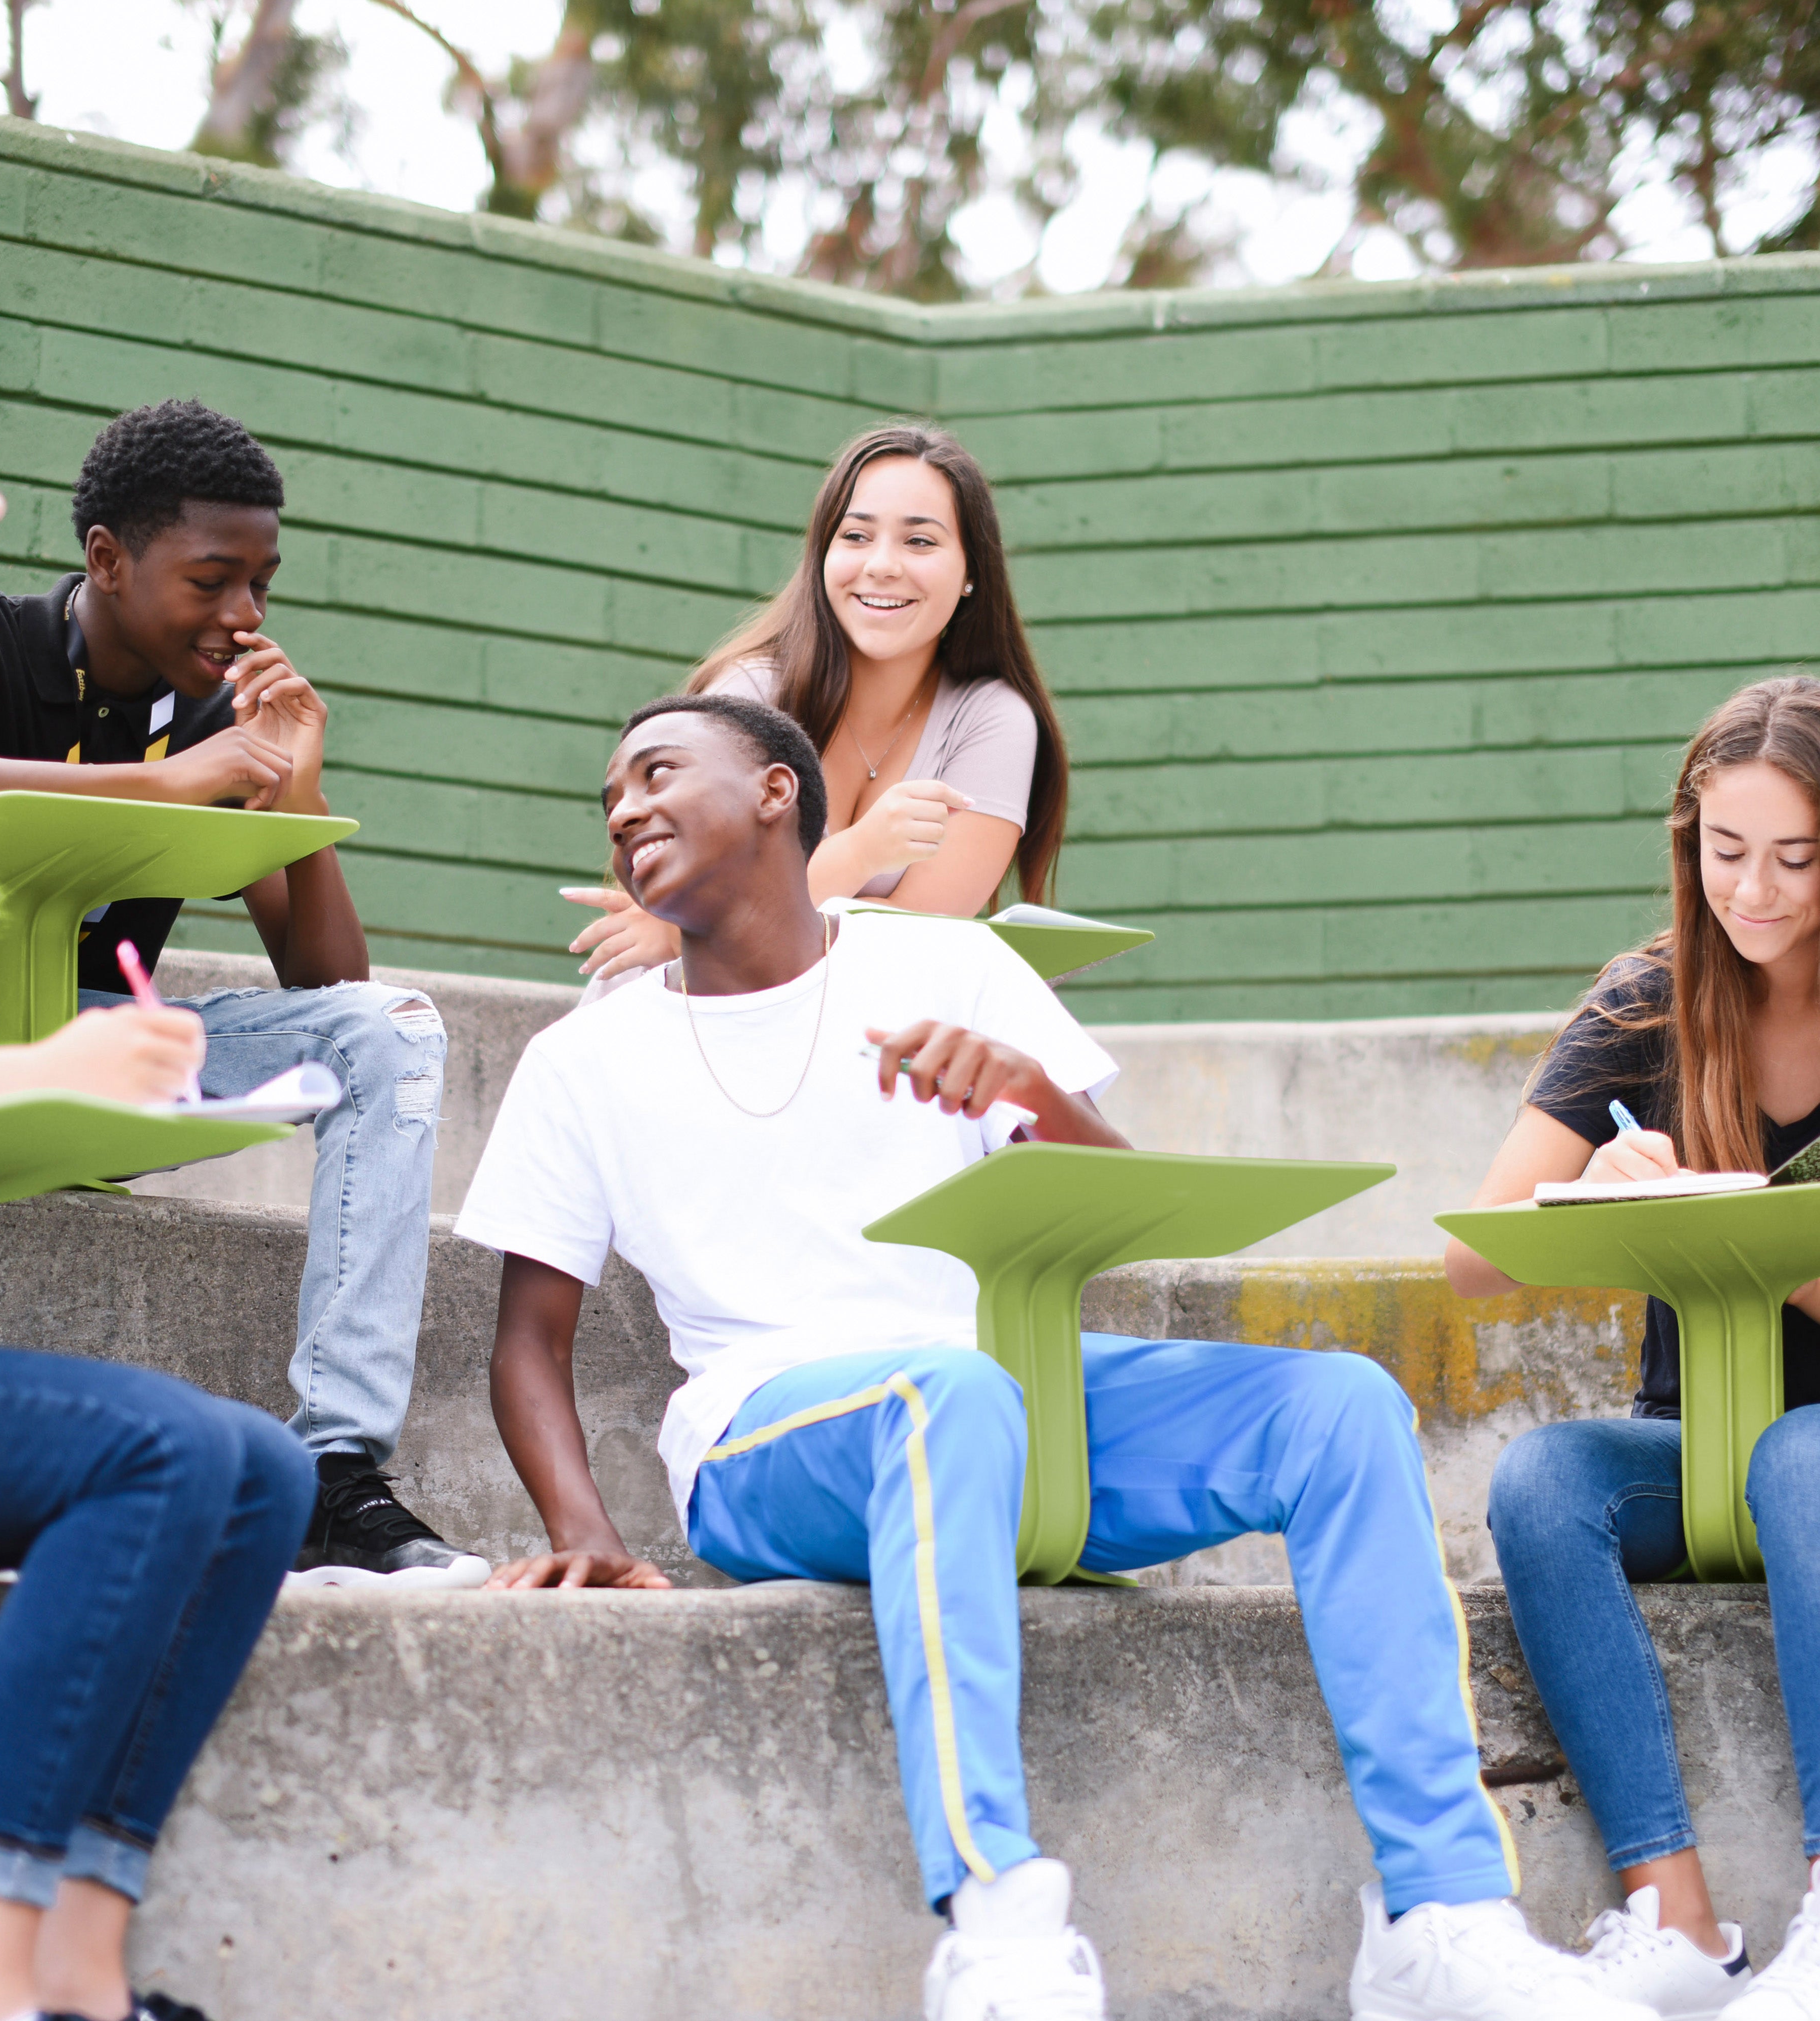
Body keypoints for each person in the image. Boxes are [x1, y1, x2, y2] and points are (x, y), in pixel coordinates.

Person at [457, 691, 1653, 2021]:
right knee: (945, 1392)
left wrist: (1027, 1089)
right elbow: (529, 1338)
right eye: (611, 796)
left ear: (778, 791)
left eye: (657, 773)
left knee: (1338, 1406)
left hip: (1001, 1406)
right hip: (768, 1441)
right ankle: (998, 1922)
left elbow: (1120, 1207)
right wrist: (583, 1524)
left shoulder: (950, 968)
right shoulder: (585, 1059)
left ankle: (1445, 1918)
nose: (625, 810)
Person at [0, 316, 315, 2021]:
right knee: (159, 1452)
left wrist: (17, 1120)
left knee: (260, 1475)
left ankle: (84, 1976)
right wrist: (37, 1072)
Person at [0, 397, 484, 1589]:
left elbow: (327, 985)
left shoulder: (228, 715)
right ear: (107, 558)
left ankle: (336, 1475)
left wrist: (294, 797)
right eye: (214, 580)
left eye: (263, 585)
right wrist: (172, 782)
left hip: (105, 1048)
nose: (245, 617)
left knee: (389, 1031)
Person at [1453, 675, 1820, 2021]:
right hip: (1689, 1444)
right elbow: (1474, 1256)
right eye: (1729, 853)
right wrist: (1603, 1197)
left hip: (1813, 1453)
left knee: (1802, 1461)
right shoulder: (1651, 997)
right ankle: (1678, 1922)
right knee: (1543, 1481)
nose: (1759, 891)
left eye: (1798, 856)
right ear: (1689, 841)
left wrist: (1763, 1240)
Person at [561, 422, 1068, 985]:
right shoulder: (748, 695)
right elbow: (705, 910)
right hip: (686, 1016)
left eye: (919, 541)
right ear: (822, 554)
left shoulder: (993, 719)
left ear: (972, 570)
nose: (882, 565)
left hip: (854, 1029)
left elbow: (922, 936)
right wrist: (861, 853)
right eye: (855, 536)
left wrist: (721, 915)